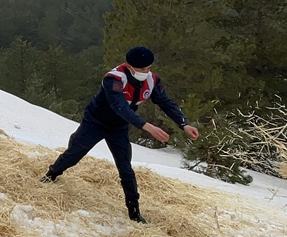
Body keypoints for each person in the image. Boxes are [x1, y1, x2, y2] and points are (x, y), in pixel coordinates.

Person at [40, 46, 199, 224]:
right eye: (141, 69)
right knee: (74, 154)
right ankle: (51, 174)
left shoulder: (152, 80)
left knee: (125, 168)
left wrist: (184, 124)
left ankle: (134, 210)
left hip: (119, 128)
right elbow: (120, 107)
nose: (146, 72)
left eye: (148, 68)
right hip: (95, 122)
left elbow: (166, 102)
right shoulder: (114, 79)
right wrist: (147, 126)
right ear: (129, 66)